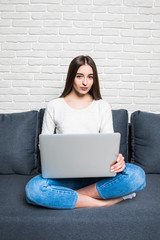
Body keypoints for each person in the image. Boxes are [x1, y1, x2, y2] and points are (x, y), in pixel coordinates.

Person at [25, 55, 146, 209]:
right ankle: (105, 202)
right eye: (79, 76)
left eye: (90, 77)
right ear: (71, 77)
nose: (85, 82)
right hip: (64, 177)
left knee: (137, 175)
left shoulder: (102, 106)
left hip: (97, 176)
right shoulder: (54, 106)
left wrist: (118, 159)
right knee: (34, 189)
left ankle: (67, 196)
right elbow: (44, 146)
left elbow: (109, 145)